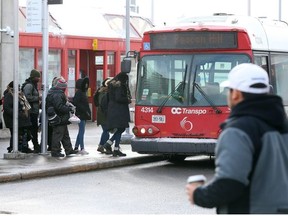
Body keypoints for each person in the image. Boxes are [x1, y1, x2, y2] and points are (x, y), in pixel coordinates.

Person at [186, 63, 288, 214]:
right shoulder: (282, 124)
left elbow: (229, 184)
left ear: (236, 94)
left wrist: (197, 194)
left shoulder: (237, 131)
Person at [45, 77, 78, 157]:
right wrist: (69, 108)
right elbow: (59, 107)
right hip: (59, 118)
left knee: (65, 135)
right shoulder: (57, 94)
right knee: (58, 135)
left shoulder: (54, 92)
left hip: (60, 118)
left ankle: (69, 150)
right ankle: (55, 151)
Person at [103, 72, 132, 157]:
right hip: (119, 111)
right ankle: (113, 147)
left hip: (113, 110)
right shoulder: (119, 86)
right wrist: (127, 100)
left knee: (120, 129)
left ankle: (112, 145)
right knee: (120, 128)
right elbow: (119, 98)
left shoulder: (112, 86)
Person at [3, 81, 33, 153]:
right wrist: (18, 113)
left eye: (19, 87)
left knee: (24, 133)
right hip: (13, 118)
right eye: (17, 87)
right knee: (16, 134)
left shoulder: (20, 95)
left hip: (21, 118)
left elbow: (25, 105)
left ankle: (23, 147)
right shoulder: (9, 95)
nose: (19, 88)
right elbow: (7, 108)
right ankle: (14, 148)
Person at [21, 69, 41, 153]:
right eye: (37, 77)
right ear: (33, 77)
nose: (39, 79)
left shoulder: (33, 85)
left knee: (33, 129)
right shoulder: (29, 86)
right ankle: (33, 145)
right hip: (30, 112)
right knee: (32, 129)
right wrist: (38, 98)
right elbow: (26, 97)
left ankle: (35, 145)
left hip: (33, 111)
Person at [93, 77, 112, 154]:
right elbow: (103, 104)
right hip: (103, 114)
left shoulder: (102, 92)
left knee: (106, 131)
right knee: (106, 131)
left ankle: (104, 146)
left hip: (103, 113)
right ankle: (102, 145)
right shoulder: (103, 93)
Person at [73, 77, 91, 154]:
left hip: (83, 114)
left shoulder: (81, 92)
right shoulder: (79, 93)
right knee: (81, 131)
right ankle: (82, 148)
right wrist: (85, 110)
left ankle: (76, 147)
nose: (86, 85)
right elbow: (76, 103)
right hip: (81, 114)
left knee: (81, 131)